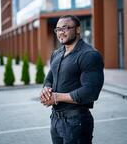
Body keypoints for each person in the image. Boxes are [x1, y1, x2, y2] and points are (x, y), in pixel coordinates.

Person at [40, 15, 104, 144]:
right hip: (55, 119)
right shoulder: (56, 54)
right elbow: (50, 77)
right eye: (58, 29)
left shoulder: (89, 55)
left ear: (78, 30)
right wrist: (46, 89)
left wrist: (56, 97)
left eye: (65, 28)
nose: (60, 32)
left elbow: (90, 92)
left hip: (77, 121)